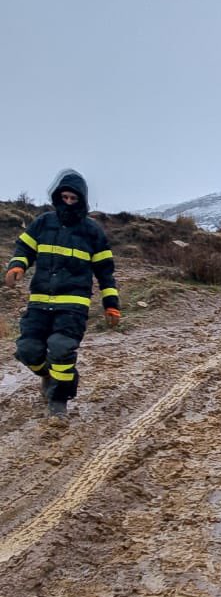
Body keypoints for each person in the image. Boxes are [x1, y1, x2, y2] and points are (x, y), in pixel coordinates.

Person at [4, 169, 121, 419]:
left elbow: (105, 273)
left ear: (82, 200)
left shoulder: (93, 232)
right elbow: (24, 248)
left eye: (73, 198)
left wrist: (111, 304)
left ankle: (59, 400)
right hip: (39, 303)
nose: (68, 202)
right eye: (65, 197)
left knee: (61, 349)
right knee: (27, 350)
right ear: (58, 196)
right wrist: (16, 266)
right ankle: (48, 375)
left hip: (73, 306)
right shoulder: (43, 223)